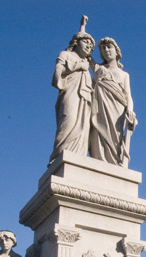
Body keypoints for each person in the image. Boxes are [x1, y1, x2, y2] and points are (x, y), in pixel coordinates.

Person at [48, 16, 95, 165]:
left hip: (85, 98)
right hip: (70, 94)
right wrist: (77, 67)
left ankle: (79, 156)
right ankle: (59, 155)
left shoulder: (86, 62)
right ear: (76, 42)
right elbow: (57, 74)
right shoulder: (66, 55)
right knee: (68, 121)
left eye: (91, 45)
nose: (88, 46)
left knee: (83, 126)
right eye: (85, 42)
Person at [89, 37, 137, 167]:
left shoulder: (124, 75)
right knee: (97, 135)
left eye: (109, 47)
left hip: (117, 111)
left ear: (116, 51)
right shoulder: (99, 69)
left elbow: (128, 95)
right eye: (103, 48)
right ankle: (99, 165)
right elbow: (85, 53)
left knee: (115, 140)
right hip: (99, 109)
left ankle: (114, 165)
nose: (106, 50)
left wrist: (130, 110)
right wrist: (82, 28)